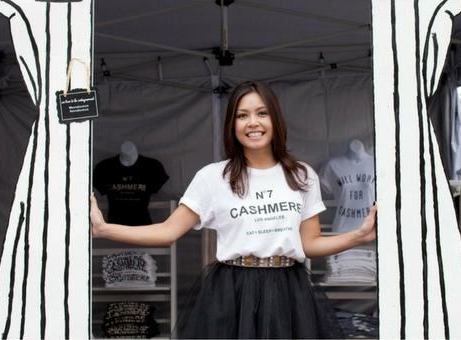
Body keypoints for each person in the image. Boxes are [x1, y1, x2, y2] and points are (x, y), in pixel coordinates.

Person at [90, 80, 377, 339]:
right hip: (232, 291)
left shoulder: (301, 175)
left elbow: (310, 243)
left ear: (275, 119)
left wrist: (359, 236)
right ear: (232, 124)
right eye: (242, 115)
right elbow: (168, 231)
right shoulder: (213, 177)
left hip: (288, 290)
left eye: (262, 113)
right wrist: (104, 229)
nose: (253, 123)